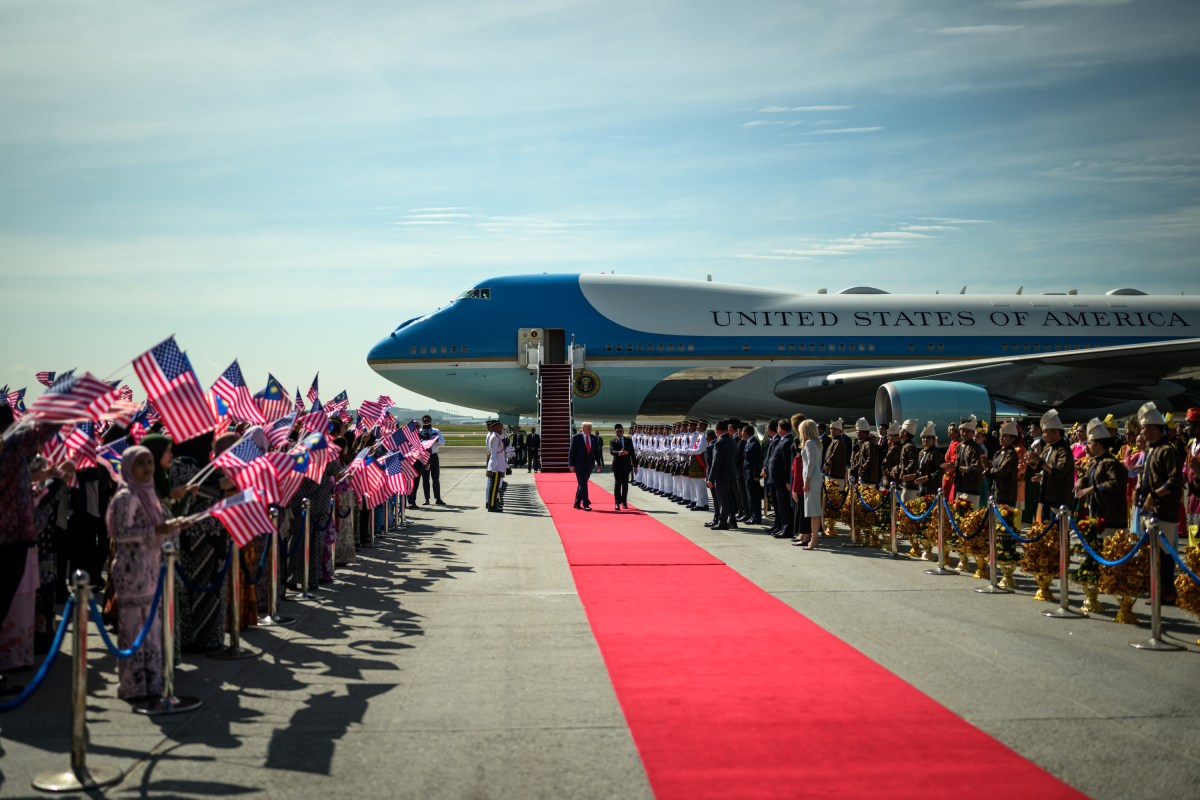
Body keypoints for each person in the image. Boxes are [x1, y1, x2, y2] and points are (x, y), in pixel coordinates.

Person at [107, 446, 187, 700]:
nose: (147, 468)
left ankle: (152, 682)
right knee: (133, 626)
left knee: (152, 628)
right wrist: (158, 531)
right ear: (129, 467)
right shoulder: (125, 497)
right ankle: (133, 684)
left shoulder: (149, 493)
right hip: (131, 572)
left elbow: (159, 527)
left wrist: (174, 526)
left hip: (152, 569)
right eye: (141, 463)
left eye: (150, 462)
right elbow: (121, 534)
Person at [1136, 402, 1180, 602]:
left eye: (1144, 427)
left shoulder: (1167, 450)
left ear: (1153, 428)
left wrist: (1154, 495)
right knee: (1152, 553)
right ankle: (1156, 589)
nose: (1142, 432)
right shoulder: (1151, 450)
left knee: (1164, 554)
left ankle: (1167, 592)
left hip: (1163, 510)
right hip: (1148, 511)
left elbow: (1174, 481)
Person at [1074, 418, 1128, 536]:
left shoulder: (1110, 462)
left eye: (1089, 443)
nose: (1087, 446)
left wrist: (1092, 488)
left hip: (1111, 520)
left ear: (1098, 445)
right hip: (1096, 516)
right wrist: (1081, 481)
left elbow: (1115, 483)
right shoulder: (1094, 462)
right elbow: (1089, 476)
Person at [1026, 408, 1074, 523]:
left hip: (1059, 499)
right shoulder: (1048, 447)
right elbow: (1039, 466)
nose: (1043, 435)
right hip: (1046, 497)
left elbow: (1059, 472)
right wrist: (1032, 461)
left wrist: (1039, 461)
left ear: (1056, 432)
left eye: (1045, 432)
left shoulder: (1064, 450)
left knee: (1058, 534)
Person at [791, 419, 824, 549]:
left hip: (811, 477)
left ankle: (814, 539)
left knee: (812, 510)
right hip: (815, 476)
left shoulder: (810, 443)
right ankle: (813, 538)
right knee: (813, 510)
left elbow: (809, 463)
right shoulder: (817, 443)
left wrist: (806, 480)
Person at [705, 420, 738, 529]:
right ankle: (732, 519)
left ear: (718, 430)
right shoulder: (732, 441)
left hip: (721, 475)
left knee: (722, 499)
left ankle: (723, 522)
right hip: (731, 474)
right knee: (730, 497)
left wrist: (711, 478)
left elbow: (716, 462)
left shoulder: (719, 443)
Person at [767, 418, 795, 538]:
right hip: (777, 480)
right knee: (780, 505)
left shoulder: (787, 441)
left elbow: (787, 464)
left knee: (784, 505)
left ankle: (787, 528)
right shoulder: (783, 440)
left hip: (782, 480)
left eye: (778, 427)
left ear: (781, 429)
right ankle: (783, 526)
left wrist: (787, 481)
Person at [984, 421, 1021, 507]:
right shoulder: (998, 453)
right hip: (995, 491)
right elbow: (993, 467)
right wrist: (986, 464)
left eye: (1005, 436)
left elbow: (1001, 471)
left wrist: (988, 469)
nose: (1001, 438)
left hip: (1006, 495)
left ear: (1013, 439)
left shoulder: (1011, 453)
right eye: (1000, 436)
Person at [567, 421, 602, 510]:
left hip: (589, 465)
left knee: (582, 484)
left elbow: (597, 452)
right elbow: (572, 452)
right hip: (579, 465)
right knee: (583, 483)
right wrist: (571, 465)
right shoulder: (576, 438)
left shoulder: (594, 438)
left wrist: (599, 463)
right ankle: (585, 503)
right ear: (583, 429)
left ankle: (577, 503)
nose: (590, 430)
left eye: (590, 428)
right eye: (588, 428)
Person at [418, 415, 446, 505]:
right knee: (425, 479)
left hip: (434, 456)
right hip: (424, 456)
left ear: (431, 420)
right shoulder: (420, 431)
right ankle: (427, 499)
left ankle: (438, 498)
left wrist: (436, 440)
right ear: (422, 421)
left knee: (436, 478)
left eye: (428, 420)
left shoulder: (436, 431)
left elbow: (443, 442)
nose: (426, 422)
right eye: (424, 421)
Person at [609, 423, 636, 510]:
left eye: (620, 431)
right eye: (617, 431)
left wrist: (635, 465)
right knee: (617, 484)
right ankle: (617, 502)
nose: (619, 433)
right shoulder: (613, 441)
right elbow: (612, 451)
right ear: (615, 432)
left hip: (626, 465)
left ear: (623, 431)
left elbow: (632, 454)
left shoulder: (628, 440)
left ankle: (624, 502)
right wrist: (619, 453)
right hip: (617, 465)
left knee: (625, 484)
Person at [741, 424, 763, 525]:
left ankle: (756, 517)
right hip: (747, 475)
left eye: (742, 432)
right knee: (750, 496)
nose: (741, 434)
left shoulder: (754, 444)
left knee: (754, 497)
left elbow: (757, 461)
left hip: (752, 476)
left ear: (745, 433)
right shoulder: (748, 443)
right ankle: (752, 516)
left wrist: (756, 475)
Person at [484, 420, 506, 512]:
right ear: (494, 428)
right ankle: (492, 506)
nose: (501, 428)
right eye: (499, 427)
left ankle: (492, 505)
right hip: (496, 467)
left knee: (494, 487)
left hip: (496, 466)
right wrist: (493, 467)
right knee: (494, 487)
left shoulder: (496, 436)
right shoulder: (495, 438)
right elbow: (493, 454)